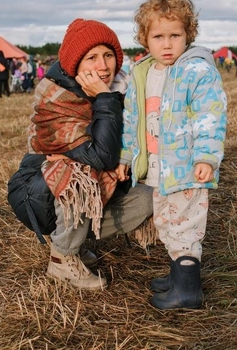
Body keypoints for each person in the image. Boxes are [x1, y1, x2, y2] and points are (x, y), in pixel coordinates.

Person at [8, 18, 154, 290]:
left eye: (109, 55)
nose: (103, 66)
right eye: (92, 58)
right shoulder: (58, 100)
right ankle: (62, 257)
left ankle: (77, 238)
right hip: (37, 195)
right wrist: (104, 100)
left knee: (147, 198)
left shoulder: (122, 91)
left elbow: (125, 146)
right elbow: (102, 157)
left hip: (85, 185)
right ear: (75, 64)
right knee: (79, 174)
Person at [119, 0, 227, 310]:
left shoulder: (196, 70)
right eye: (158, 36)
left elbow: (211, 116)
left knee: (185, 225)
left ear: (187, 35)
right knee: (168, 224)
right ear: (145, 39)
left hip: (186, 167)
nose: (167, 44)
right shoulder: (142, 74)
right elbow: (131, 121)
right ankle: (178, 276)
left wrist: (206, 157)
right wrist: (126, 157)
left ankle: (188, 291)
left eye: (175, 35)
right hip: (156, 168)